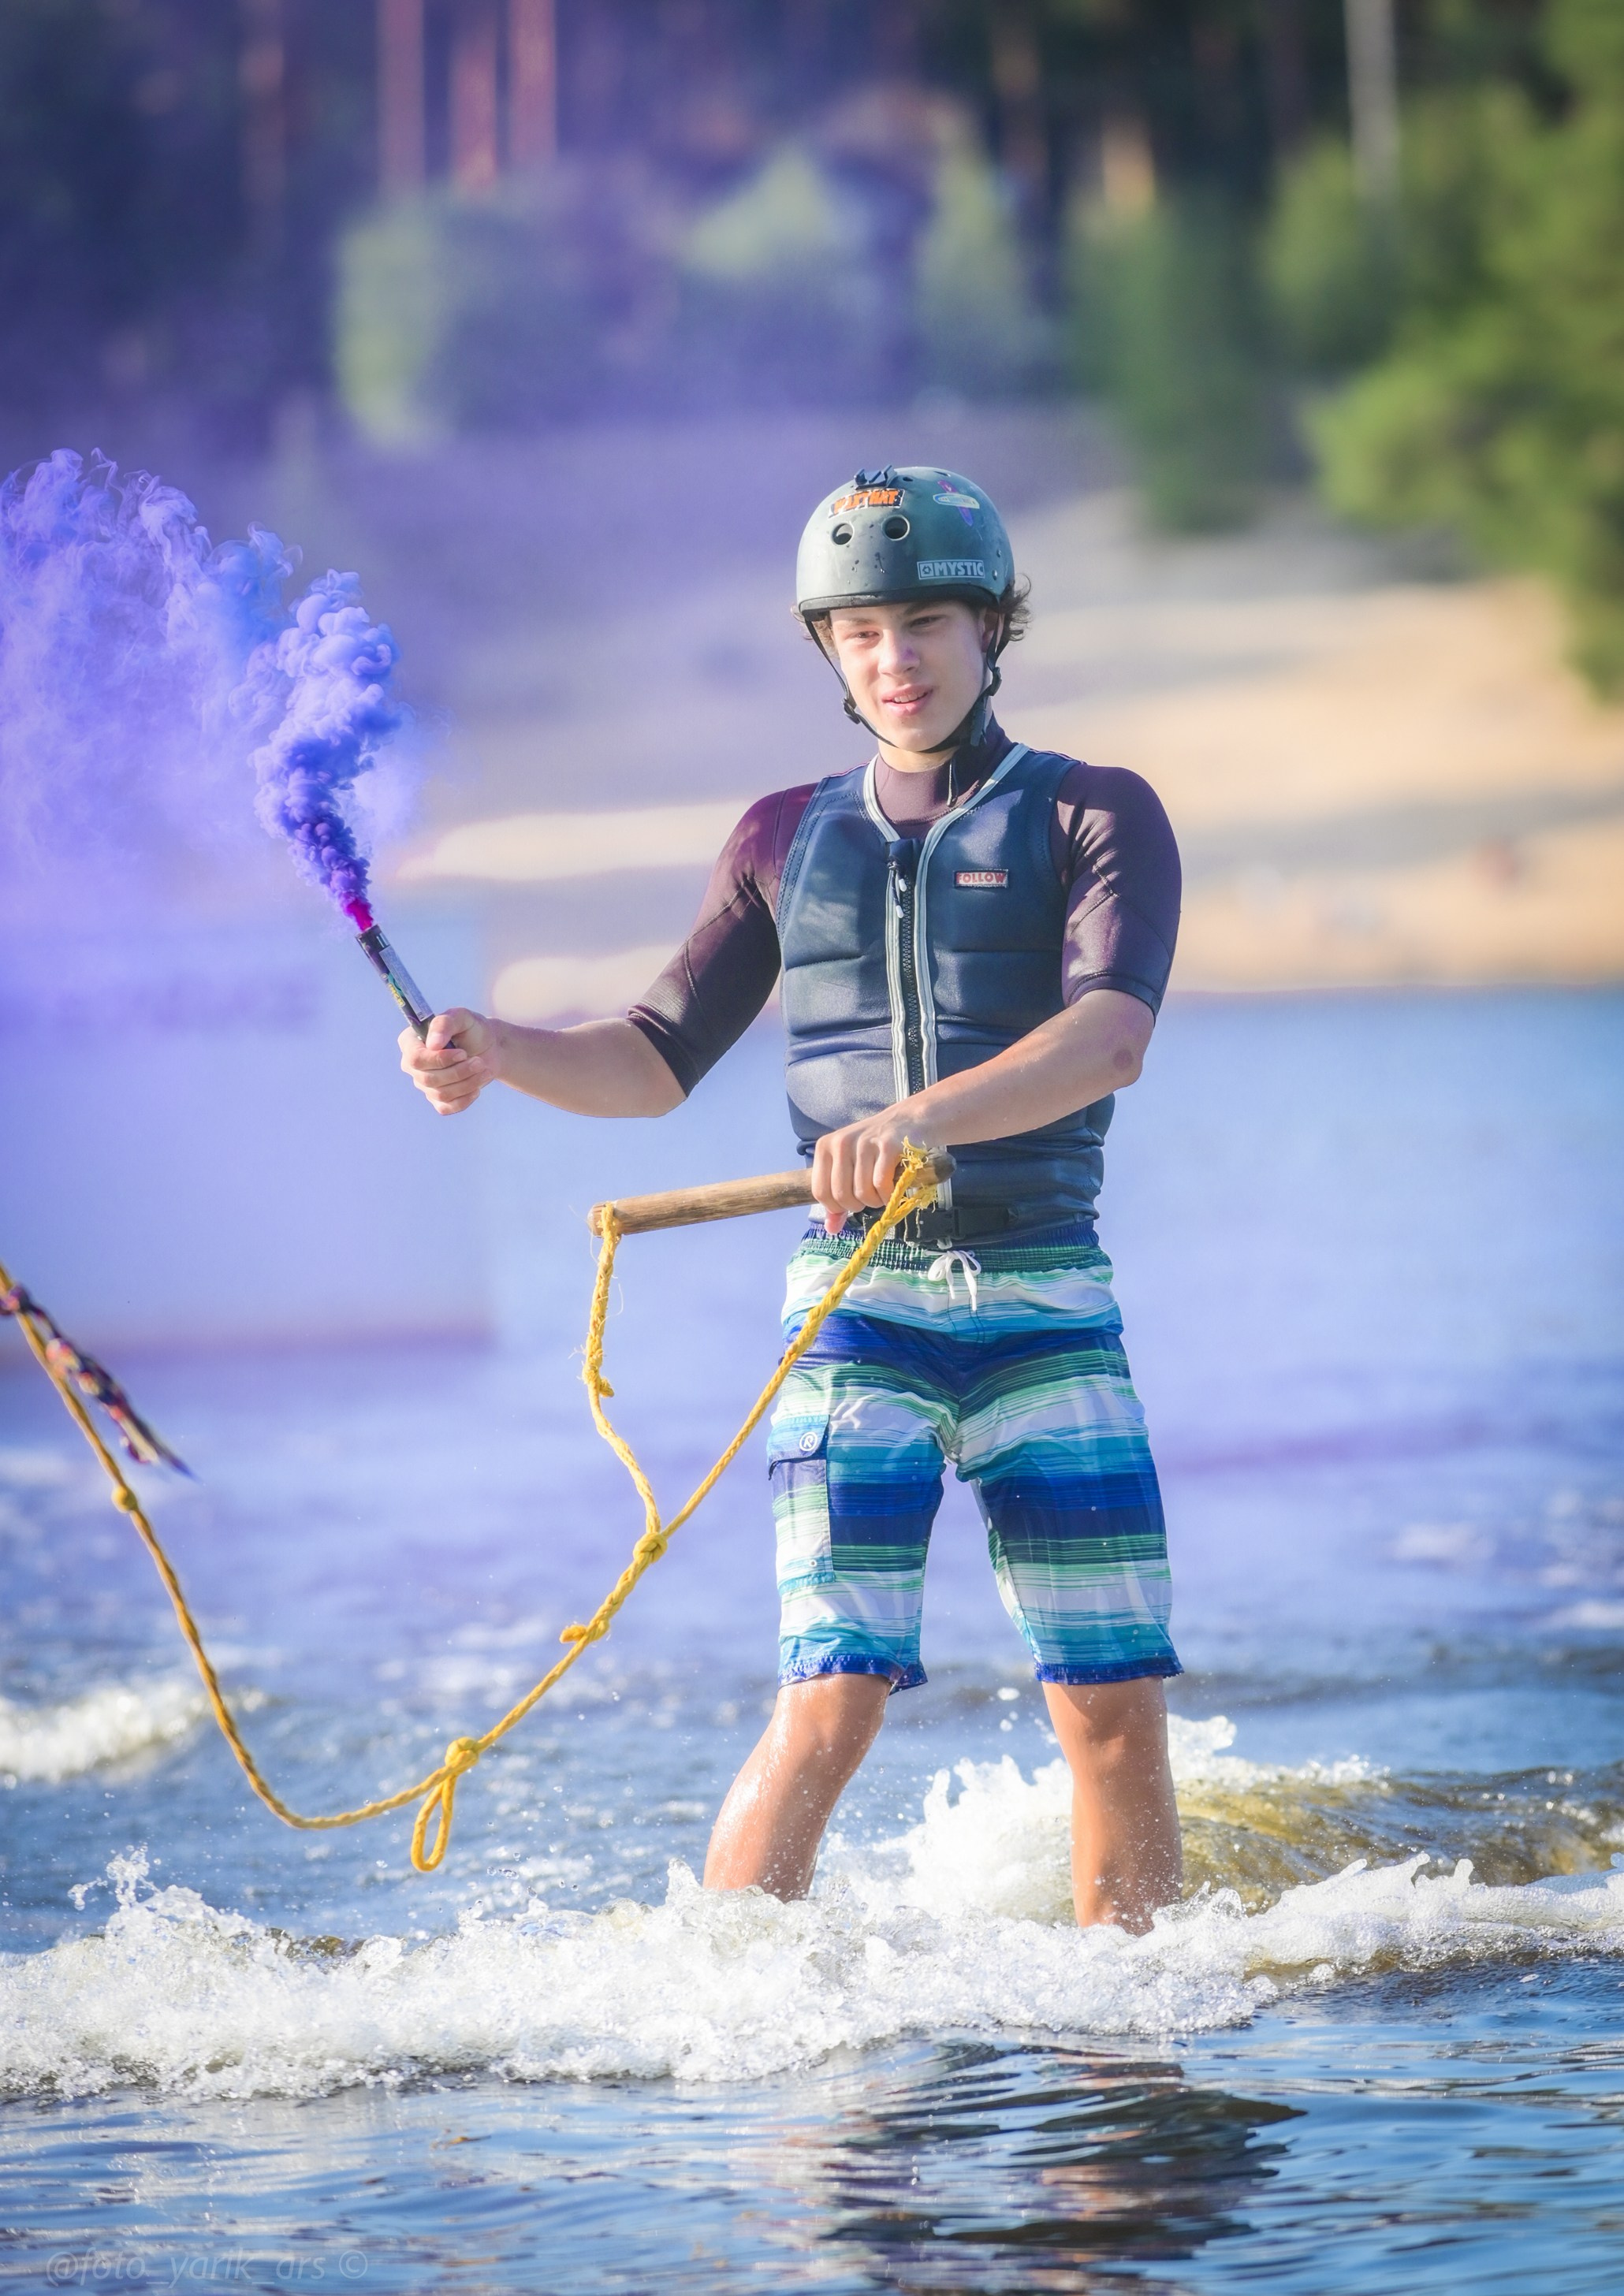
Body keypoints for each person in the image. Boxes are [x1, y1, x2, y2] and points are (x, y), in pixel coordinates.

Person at [400, 467, 1184, 1932]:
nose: (897, 659)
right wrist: (501, 1049)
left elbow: (1109, 1039)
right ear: (828, 647)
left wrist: (917, 1118)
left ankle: (1126, 2024)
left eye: (926, 622)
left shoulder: (1095, 811)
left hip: (1046, 1293)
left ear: (991, 624)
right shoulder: (780, 836)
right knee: (830, 1693)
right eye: (862, 631)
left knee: (1112, 1706)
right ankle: (734, 2002)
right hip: (853, 1309)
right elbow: (652, 1059)